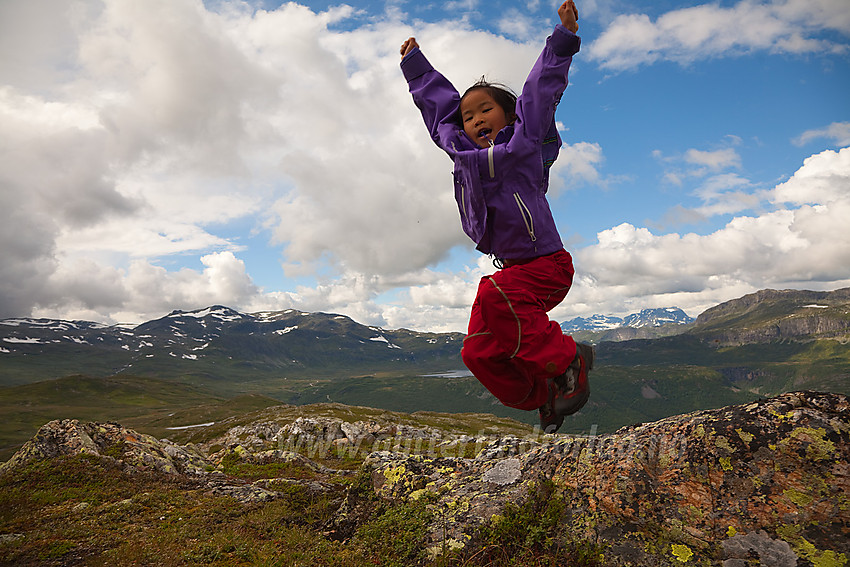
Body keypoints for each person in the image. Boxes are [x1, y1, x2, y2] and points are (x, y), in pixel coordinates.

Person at [400, 1, 594, 434]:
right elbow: (440, 115)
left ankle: (569, 358)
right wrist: (416, 68)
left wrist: (562, 41)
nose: (475, 119)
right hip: (515, 276)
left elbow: (541, 91)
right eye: (469, 117)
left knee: (492, 293)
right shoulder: (463, 155)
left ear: (507, 115)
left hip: (546, 265)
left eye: (485, 110)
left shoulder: (523, 147)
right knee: (478, 351)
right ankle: (542, 393)